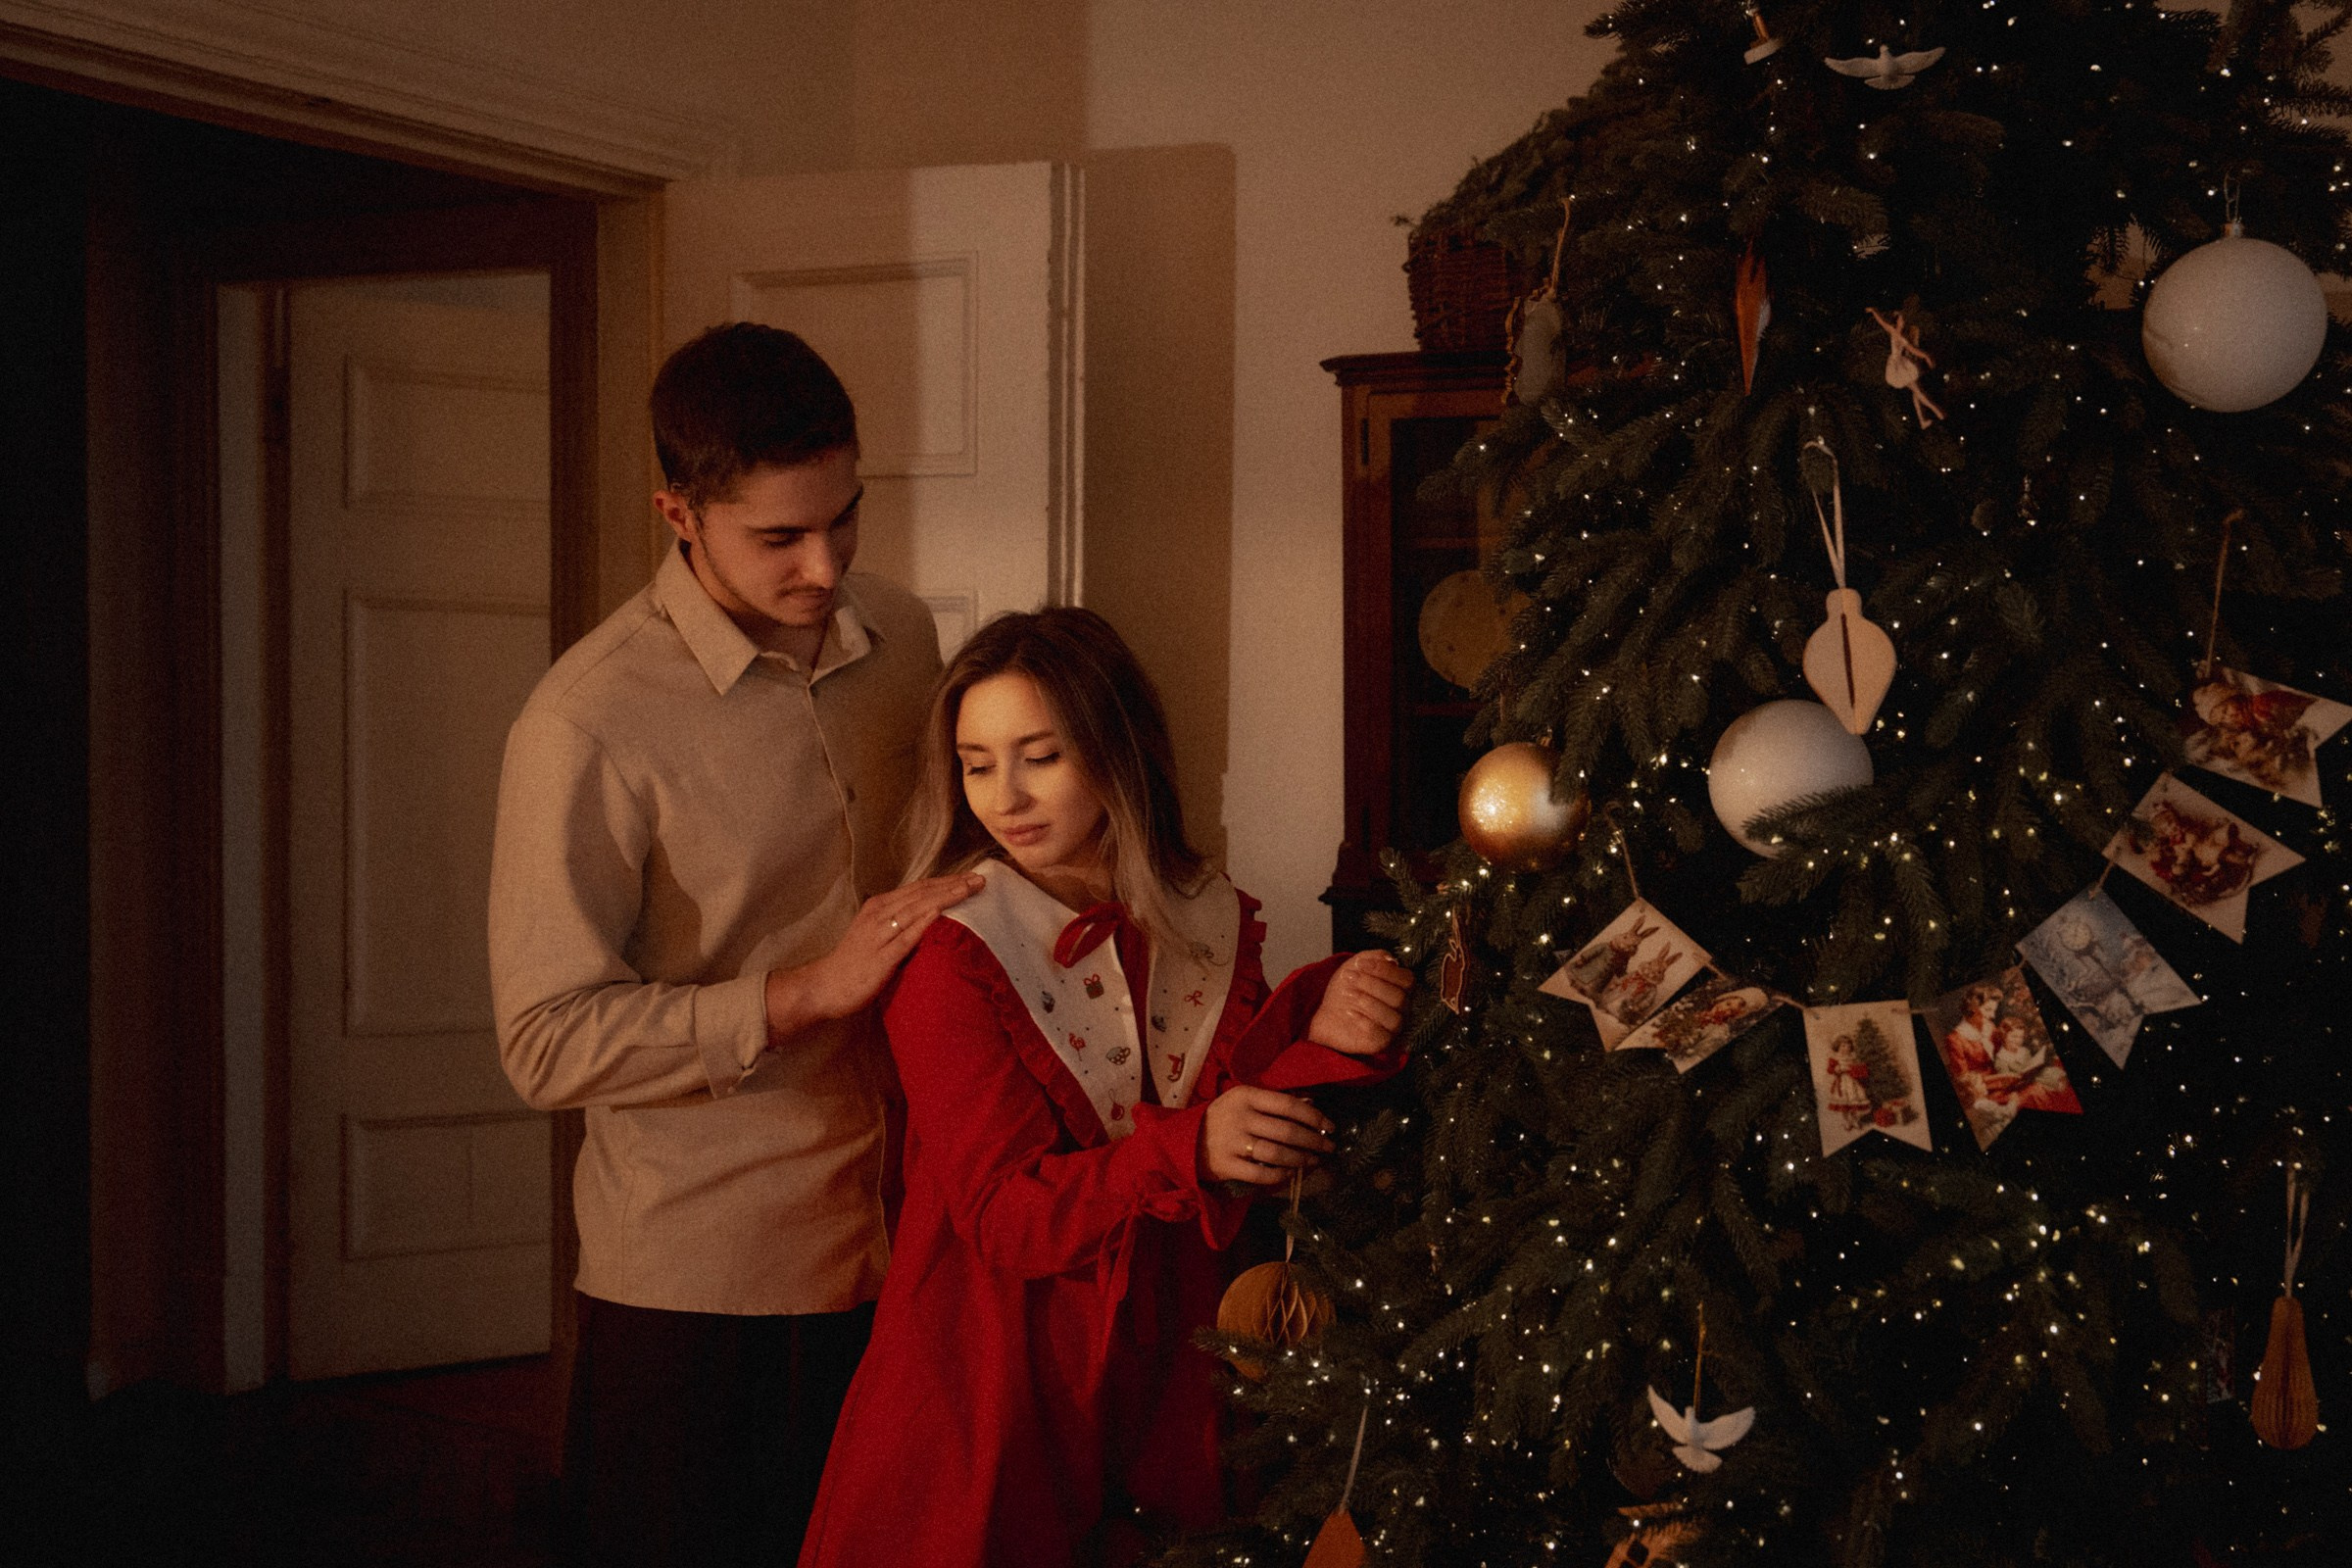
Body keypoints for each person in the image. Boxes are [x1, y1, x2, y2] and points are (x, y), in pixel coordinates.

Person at [487, 323, 980, 1568]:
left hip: (910, 1239)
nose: (825, 564)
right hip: (699, 1286)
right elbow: (543, 1041)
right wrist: (801, 993)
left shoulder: (905, 637)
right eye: (779, 536)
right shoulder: (586, 720)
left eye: (845, 517)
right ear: (679, 513)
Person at [798, 608, 1415, 1568]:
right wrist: (1193, 1146)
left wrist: (1319, 1030)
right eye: (976, 764)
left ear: (1118, 749)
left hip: (1170, 1360)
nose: (1006, 796)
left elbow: (1228, 1125)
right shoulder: (954, 953)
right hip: (1003, 1370)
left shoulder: (1200, 915)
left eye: (1041, 756)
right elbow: (1006, 1214)